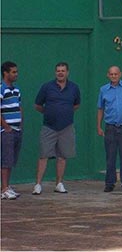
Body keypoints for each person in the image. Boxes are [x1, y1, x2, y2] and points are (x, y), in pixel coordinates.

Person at [33, 62, 81, 195]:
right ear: (55, 72)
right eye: (58, 71)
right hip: (49, 127)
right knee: (43, 155)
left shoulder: (74, 88)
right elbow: (37, 105)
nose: (60, 73)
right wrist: (49, 112)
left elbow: (76, 105)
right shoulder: (47, 87)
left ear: (67, 72)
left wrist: (65, 113)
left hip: (67, 127)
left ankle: (59, 184)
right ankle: (38, 185)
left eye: (63, 71)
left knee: (62, 156)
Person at [97, 66, 122, 193]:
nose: (113, 76)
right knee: (110, 158)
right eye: (111, 74)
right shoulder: (103, 90)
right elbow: (100, 109)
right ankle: (110, 183)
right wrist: (98, 126)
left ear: (120, 74)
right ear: (107, 75)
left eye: (116, 74)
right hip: (110, 127)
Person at [1, 61, 23, 200]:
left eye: (16, 72)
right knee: (5, 160)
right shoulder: (1, 88)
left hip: (17, 129)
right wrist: (6, 127)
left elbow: (19, 107)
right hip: (6, 132)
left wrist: (21, 124)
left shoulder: (16, 90)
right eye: (13, 72)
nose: (16, 74)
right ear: (5, 73)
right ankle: (4, 189)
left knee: (11, 160)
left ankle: (7, 187)